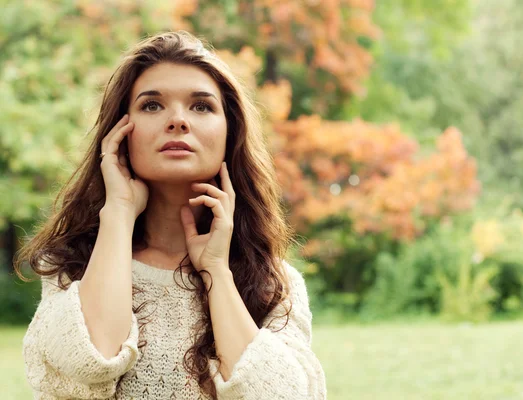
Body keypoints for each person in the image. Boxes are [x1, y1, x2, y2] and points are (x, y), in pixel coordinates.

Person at [15, 31, 327, 399]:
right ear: (120, 132)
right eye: (152, 105)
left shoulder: (274, 283)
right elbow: (87, 366)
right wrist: (118, 210)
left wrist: (215, 271)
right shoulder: (72, 266)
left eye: (201, 107)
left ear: (230, 132)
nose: (178, 120)